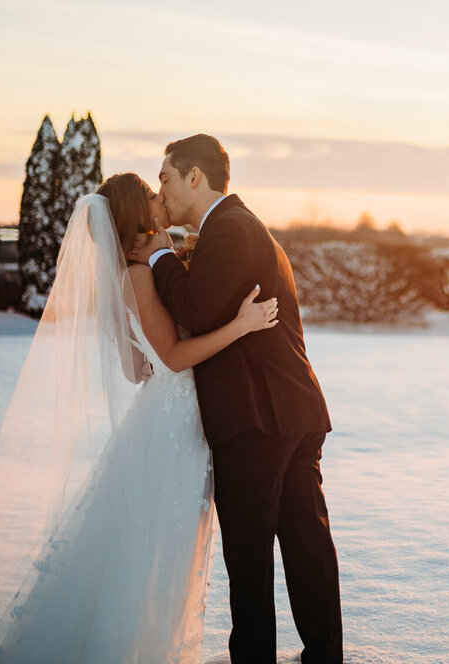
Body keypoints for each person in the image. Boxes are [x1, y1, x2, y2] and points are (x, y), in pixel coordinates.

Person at [0, 174, 279, 663]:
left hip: (163, 420)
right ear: (136, 214)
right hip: (173, 427)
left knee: (156, 552)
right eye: (150, 195)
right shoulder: (141, 275)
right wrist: (239, 326)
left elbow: (134, 365)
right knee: (156, 555)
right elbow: (173, 359)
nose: (159, 198)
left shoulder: (131, 272)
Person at [132, 134, 343, 664]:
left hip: (255, 418)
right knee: (305, 541)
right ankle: (324, 654)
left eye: (165, 178)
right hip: (293, 408)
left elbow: (196, 311)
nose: (161, 188)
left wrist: (158, 254)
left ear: (195, 177)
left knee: (249, 555)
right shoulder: (248, 228)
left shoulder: (227, 230)